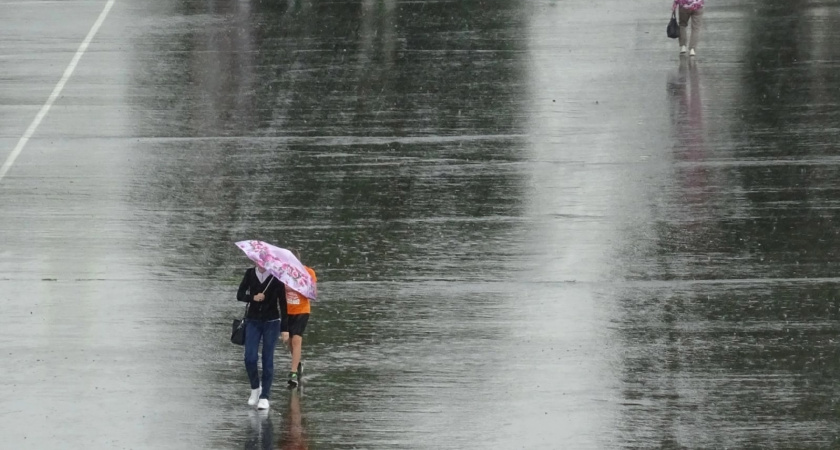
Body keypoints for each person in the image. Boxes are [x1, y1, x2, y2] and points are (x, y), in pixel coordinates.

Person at [237, 264, 287, 410]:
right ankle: (255, 388)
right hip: (252, 321)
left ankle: (265, 395)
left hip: (271, 322)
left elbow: (283, 304)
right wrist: (253, 297)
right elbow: (239, 295)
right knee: (250, 357)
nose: (260, 263)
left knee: (267, 358)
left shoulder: (276, 277)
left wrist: (285, 329)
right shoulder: (250, 273)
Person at [282, 252, 316, 389]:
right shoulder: (281, 274)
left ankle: (293, 373)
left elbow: (313, 293)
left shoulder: (308, 272)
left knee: (296, 340)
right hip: (287, 311)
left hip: (302, 310)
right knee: (289, 342)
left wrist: (296, 287)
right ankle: (298, 364)